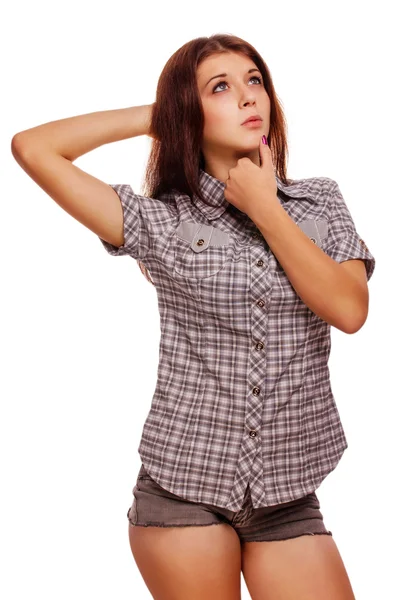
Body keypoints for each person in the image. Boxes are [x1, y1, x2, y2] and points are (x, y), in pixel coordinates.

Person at [11, 33, 375, 600]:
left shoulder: (320, 202)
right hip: (182, 491)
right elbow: (33, 148)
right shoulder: (161, 221)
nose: (249, 96)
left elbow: (349, 310)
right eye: (221, 87)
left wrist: (265, 206)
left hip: (287, 494)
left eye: (255, 80)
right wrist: (160, 112)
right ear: (190, 109)